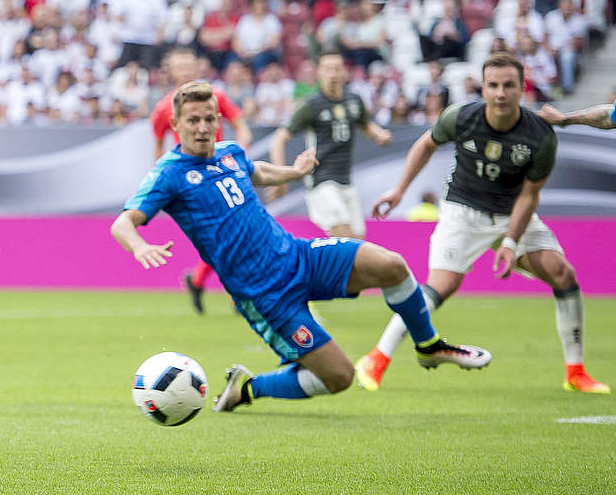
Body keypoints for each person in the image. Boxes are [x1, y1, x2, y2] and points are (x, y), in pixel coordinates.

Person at [111, 81, 490, 413]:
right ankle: (249, 387)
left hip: (299, 256)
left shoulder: (229, 152)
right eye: (193, 120)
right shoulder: (168, 173)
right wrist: (139, 245)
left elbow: (254, 169)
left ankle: (427, 345)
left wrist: (294, 172)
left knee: (391, 264)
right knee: (339, 377)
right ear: (176, 125)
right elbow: (122, 223)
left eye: (209, 118)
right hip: (265, 297)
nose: (203, 127)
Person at [358, 54, 608, 394]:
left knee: (563, 274)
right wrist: (400, 190)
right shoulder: (461, 117)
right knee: (441, 287)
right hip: (463, 210)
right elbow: (425, 144)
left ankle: (576, 373)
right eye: (493, 85)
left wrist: (509, 241)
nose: (500, 93)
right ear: (483, 88)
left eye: (509, 85)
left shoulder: (541, 136)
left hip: (510, 213)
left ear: (523, 89)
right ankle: (376, 358)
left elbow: (529, 194)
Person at [148, 48, 253, 313]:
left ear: (197, 68)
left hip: (221, 173)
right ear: (170, 71)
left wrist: (238, 153)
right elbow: (158, 148)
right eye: (178, 65)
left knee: (228, 233)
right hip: (191, 180)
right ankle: (234, 293)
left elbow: (241, 126)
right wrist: (161, 183)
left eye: (188, 64)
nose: (184, 70)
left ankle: (201, 282)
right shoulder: (163, 108)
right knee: (226, 233)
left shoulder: (216, 97)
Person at [270, 52, 393, 239]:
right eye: (328, 69)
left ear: (345, 72)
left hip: (346, 180)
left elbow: (365, 124)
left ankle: (328, 268)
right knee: (342, 230)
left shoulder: (354, 101)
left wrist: (379, 135)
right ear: (319, 73)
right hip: (321, 180)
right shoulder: (311, 105)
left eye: (337, 68)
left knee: (357, 241)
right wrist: (280, 177)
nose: (333, 74)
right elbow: (279, 138)